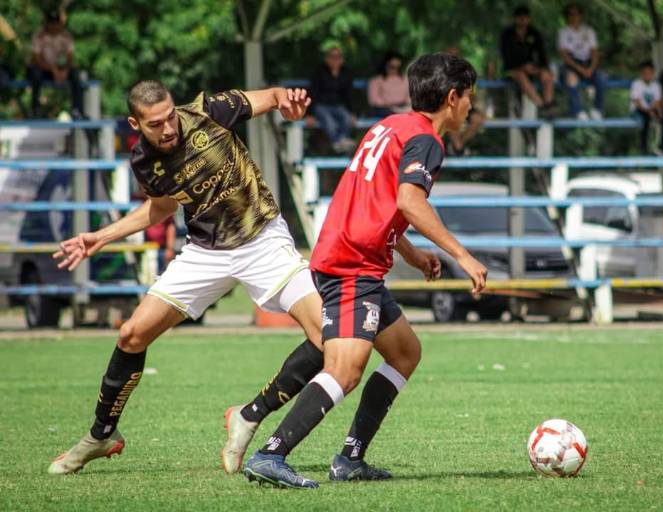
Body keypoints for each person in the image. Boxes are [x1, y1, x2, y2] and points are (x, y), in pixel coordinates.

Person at [48, 82, 331, 475]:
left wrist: (290, 104)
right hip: (205, 254)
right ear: (135, 123)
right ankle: (102, 435)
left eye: (169, 118)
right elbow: (162, 205)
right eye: (155, 124)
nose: (168, 129)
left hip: (262, 239)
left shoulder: (208, 111)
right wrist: (103, 236)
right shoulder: (144, 161)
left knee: (326, 336)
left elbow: (272, 96)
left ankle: (249, 415)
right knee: (132, 334)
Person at [242, 52, 488, 489]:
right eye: (469, 96)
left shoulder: (389, 126)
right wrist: (461, 255)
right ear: (452, 98)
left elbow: (379, 202)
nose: (471, 105)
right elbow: (411, 201)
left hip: (349, 255)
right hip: (353, 264)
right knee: (344, 369)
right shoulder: (428, 141)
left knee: (405, 353)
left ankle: (350, 458)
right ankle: (271, 454)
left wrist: (410, 254)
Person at [500, 5, 555, 116]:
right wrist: (522, 66)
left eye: (525, 17)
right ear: (515, 19)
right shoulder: (507, 35)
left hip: (532, 68)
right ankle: (541, 105)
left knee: (547, 75)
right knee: (520, 75)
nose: (523, 20)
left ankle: (549, 105)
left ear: (529, 19)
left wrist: (539, 68)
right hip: (513, 70)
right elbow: (506, 58)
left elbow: (542, 55)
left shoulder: (534, 34)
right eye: (520, 17)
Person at [27, 10, 83, 118]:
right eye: (51, 23)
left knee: (76, 75)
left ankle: (77, 109)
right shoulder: (39, 36)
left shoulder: (65, 36)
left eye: (56, 23)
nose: (54, 26)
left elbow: (70, 57)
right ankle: (35, 108)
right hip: (42, 69)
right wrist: (54, 70)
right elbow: (37, 60)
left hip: (58, 69)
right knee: (36, 75)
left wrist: (65, 71)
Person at [557, 3, 605, 120]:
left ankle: (597, 110)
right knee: (571, 79)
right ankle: (578, 111)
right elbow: (564, 55)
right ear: (567, 16)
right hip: (571, 65)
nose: (574, 17)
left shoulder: (589, 31)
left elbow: (594, 52)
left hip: (588, 64)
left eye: (576, 14)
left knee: (602, 78)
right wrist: (580, 69)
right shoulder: (563, 32)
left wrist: (591, 69)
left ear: (581, 15)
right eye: (570, 14)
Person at [310, 46, 356, 153]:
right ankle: (337, 143)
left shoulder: (346, 73)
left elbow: (349, 94)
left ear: (342, 59)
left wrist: (353, 112)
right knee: (329, 122)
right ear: (327, 59)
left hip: (338, 105)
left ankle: (341, 142)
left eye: (338, 57)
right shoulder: (319, 72)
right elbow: (313, 93)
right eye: (332, 57)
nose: (335, 59)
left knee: (347, 118)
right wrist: (310, 114)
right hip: (321, 105)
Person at [630, 61, 663, 155]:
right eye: (645, 73)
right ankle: (643, 148)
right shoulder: (637, 84)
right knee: (645, 120)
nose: (647, 75)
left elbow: (657, 101)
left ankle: (662, 145)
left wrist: (660, 113)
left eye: (650, 73)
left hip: (651, 109)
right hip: (638, 110)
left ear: (653, 73)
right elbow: (637, 102)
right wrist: (649, 111)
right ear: (641, 73)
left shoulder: (656, 85)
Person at [367, 51, 410, 117]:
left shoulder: (405, 79)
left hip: (403, 107)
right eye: (392, 66)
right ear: (385, 65)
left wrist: (404, 106)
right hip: (384, 109)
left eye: (397, 67)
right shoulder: (376, 80)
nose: (395, 70)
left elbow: (409, 97)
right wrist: (390, 105)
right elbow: (374, 100)